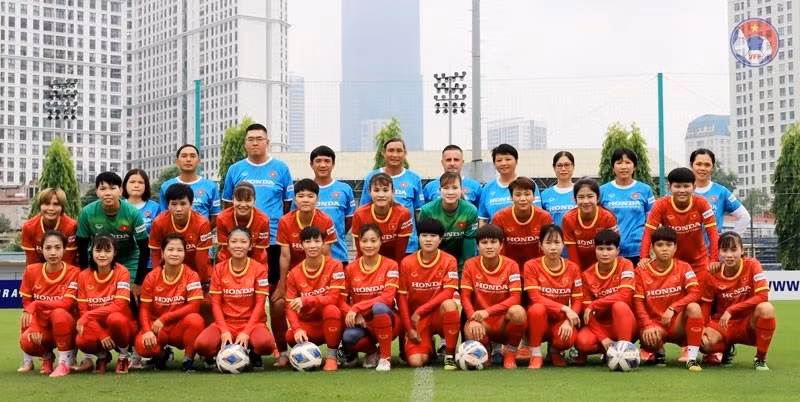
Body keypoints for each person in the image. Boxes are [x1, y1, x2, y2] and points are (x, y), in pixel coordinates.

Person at [221, 123, 293, 331]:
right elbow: (228, 206)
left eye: (259, 139)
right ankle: (240, 340)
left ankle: (280, 349)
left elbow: (287, 206)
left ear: (267, 142)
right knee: (241, 293)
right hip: (240, 245)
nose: (255, 142)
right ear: (245, 143)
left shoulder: (280, 168)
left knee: (276, 297)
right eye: (250, 139)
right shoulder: (235, 169)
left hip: (272, 243)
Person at [274, 179, 337, 366]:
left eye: (310, 196)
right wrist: (282, 285)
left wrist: (323, 284)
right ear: (294, 199)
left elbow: (326, 254)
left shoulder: (325, 220)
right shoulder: (286, 221)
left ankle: (338, 351)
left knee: (333, 305)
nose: (305, 200)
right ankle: (283, 353)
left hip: (319, 276)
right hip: (295, 277)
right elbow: (284, 256)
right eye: (301, 196)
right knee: (277, 304)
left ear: (317, 199)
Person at [193, 228, 276, 366]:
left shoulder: (259, 269)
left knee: (266, 344)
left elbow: (260, 304)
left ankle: (254, 354)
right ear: (227, 245)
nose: (238, 245)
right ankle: (219, 352)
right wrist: (224, 329)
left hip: (253, 323)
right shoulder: (219, 268)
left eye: (243, 242)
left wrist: (247, 331)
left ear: (250, 246)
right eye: (234, 241)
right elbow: (216, 304)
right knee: (202, 345)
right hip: (226, 323)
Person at [700, 232, 775, 371]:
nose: (729, 255)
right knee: (704, 343)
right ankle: (726, 347)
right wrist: (703, 327)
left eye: (734, 250)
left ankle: (760, 358)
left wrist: (731, 310)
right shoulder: (712, 273)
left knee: (767, 308)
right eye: (724, 250)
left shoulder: (752, 265)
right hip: (722, 324)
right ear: (719, 252)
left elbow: (763, 296)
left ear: (742, 250)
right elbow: (706, 304)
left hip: (747, 322)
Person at [634, 227, 704, 371]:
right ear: (652, 248)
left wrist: (673, 308)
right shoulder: (641, 271)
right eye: (659, 245)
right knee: (648, 337)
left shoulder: (684, 267)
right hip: (655, 325)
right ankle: (658, 349)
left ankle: (691, 359)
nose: (664, 249)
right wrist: (647, 325)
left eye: (668, 245)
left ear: (675, 247)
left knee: (694, 308)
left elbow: (695, 293)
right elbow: (638, 302)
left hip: (677, 324)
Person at [135, 233, 205, 372]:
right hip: (157, 326)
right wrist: (147, 331)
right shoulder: (151, 277)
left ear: (185, 253)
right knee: (142, 347)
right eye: (170, 249)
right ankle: (161, 355)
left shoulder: (191, 275)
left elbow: (194, 306)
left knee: (196, 320)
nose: (175, 254)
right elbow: (144, 309)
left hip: (179, 326)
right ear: (162, 252)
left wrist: (165, 318)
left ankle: (188, 360)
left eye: (179, 250)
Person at [461, 224, 527, 369]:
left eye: (493, 242)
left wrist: (487, 312)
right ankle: (487, 352)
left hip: (504, 323)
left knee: (518, 311)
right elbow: (465, 297)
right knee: (470, 329)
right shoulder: (470, 264)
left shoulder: (511, 265)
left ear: (501, 245)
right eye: (484, 243)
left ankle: (510, 354)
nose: (489, 246)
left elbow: (515, 298)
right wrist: (472, 318)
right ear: (477, 246)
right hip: (482, 322)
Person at [397, 218, 460, 369]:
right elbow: (402, 298)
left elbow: (448, 292)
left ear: (440, 239)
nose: (428, 240)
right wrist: (409, 329)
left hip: (437, 313)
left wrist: (420, 310)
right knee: (416, 362)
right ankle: (429, 347)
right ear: (418, 238)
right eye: (424, 235)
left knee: (450, 304)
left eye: (433, 236)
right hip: (417, 320)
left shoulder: (449, 260)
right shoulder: (407, 262)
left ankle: (449, 355)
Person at [640, 167, 720, 285]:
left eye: (686, 186)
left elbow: (713, 233)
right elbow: (648, 232)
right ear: (669, 187)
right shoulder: (660, 205)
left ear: (694, 187)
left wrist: (714, 259)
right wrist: (644, 257)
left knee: (700, 297)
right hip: (673, 261)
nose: (682, 190)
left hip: (699, 261)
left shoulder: (702, 203)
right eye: (677, 186)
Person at [339, 224, 401, 371]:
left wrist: (357, 307)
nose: (369, 245)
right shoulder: (350, 268)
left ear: (381, 241)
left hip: (388, 319)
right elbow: (340, 300)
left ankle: (385, 358)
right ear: (358, 243)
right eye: (364, 241)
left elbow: (387, 298)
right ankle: (373, 352)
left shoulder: (391, 265)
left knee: (379, 307)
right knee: (348, 338)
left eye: (373, 241)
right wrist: (355, 314)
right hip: (362, 322)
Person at [18, 231, 80, 377]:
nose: (53, 252)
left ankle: (64, 362)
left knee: (58, 312)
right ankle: (46, 357)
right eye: (48, 248)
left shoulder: (74, 272)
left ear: (65, 250)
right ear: (41, 249)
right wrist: (33, 325)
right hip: (43, 326)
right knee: (26, 338)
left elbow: (66, 303)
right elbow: (27, 302)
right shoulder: (31, 271)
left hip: (67, 326)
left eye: (58, 248)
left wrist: (36, 304)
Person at [77, 172, 150, 296]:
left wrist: (138, 283)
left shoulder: (132, 213)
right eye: (103, 189)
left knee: (127, 297)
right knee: (97, 296)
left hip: (128, 260)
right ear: (97, 192)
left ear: (120, 190)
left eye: (112, 188)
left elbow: (144, 248)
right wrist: (85, 274)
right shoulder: (87, 212)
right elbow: (82, 246)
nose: (108, 193)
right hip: (99, 260)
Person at [74, 235, 138, 374]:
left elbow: (119, 305)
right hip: (98, 326)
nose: (102, 255)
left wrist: (89, 315)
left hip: (122, 325)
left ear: (114, 253)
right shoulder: (83, 276)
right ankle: (102, 356)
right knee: (81, 340)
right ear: (92, 252)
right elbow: (83, 310)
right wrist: (101, 333)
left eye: (107, 251)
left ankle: (123, 356)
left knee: (115, 318)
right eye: (98, 250)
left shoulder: (122, 272)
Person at [284, 226, 345, 372]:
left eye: (317, 241)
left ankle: (332, 357)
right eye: (307, 242)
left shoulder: (335, 265)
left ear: (323, 243)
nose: (312, 245)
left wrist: (306, 300)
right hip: (309, 325)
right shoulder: (294, 273)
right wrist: (297, 329)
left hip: (331, 322)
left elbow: (334, 298)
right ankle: (310, 353)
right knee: (290, 336)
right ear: (301, 245)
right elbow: (289, 306)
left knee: (331, 309)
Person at [522, 224, 582, 369]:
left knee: (568, 338)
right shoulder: (531, 265)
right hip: (536, 321)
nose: (553, 247)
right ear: (540, 245)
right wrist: (565, 309)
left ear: (563, 244)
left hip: (559, 322)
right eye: (548, 243)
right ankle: (535, 354)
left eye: (557, 242)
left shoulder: (573, 268)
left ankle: (555, 351)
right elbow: (535, 297)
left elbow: (578, 299)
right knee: (537, 308)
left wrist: (568, 321)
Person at [574, 230, 636, 363]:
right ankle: (607, 350)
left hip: (625, 322)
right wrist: (603, 338)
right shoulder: (586, 275)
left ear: (617, 250)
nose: (605, 253)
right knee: (583, 343)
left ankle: (626, 352)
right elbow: (586, 312)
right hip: (601, 325)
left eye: (609, 249)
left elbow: (625, 296)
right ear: (595, 250)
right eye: (600, 249)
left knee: (619, 305)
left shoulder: (626, 265)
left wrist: (595, 304)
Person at [360, 138, 424, 253]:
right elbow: (364, 211)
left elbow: (418, 213)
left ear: (405, 153)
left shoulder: (414, 178)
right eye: (391, 150)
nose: (395, 154)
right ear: (383, 153)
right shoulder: (371, 177)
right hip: (377, 246)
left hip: (408, 245)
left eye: (399, 151)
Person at [148, 183, 212, 287]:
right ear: (168, 205)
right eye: (174, 204)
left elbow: (202, 259)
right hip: (170, 271)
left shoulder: (202, 223)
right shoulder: (159, 223)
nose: (178, 209)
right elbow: (156, 254)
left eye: (183, 204)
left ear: (191, 204)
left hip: (196, 270)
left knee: (205, 301)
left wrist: (203, 282)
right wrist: (158, 278)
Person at [599, 148, 655, 266]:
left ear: (634, 167)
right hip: (610, 251)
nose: (623, 167)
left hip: (638, 251)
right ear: (613, 167)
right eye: (619, 163)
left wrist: (648, 249)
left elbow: (651, 222)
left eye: (628, 162)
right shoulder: (603, 190)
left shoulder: (645, 190)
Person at [419, 172, 479, 271]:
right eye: (446, 188)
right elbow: (423, 241)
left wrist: (467, 270)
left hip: (459, 264)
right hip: (434, 263)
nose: (450, 192)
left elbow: (469, 245)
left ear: (461, 189)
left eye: (455, 188)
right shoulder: (427, 210)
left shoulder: (470, 211)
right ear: (439, 190)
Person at [690, 148, 751, 242]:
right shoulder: (681, 191)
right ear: (691, 165)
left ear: (712, 168)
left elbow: (745, 216)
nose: (702, 168)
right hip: (685, 254)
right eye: (698, 164)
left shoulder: (721, 191)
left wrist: (729, 241)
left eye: (707, 165)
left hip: (712, 253)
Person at [491, 176, 553, 268]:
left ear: (534, 196)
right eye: (518, 195)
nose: (523, 199)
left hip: (537, 268)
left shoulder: (544, 217)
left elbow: (546, 248)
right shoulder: (500, 218)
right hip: (508, 268)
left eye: (527, 194)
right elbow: (498, 249)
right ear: (511, 197)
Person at [309, 145, 356, 265]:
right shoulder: (304, 190)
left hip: (339, 256)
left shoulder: (344, 189)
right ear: (311, 164)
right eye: (318, 161)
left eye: (327, 161)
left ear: (333, 164)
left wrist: (334, 234)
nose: (323, 165)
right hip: (309, 258)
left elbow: (349, 220)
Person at [352, 173, 413, 263]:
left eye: (385, 190)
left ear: (392, 191)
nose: (381, 195)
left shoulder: (403, 214)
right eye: (376, 190)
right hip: (367, 261)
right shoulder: (360, 214)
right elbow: (360, 250)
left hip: (393, 261)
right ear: (369, 192)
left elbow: (400, 252)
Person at [159, 144, 222, 228]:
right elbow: (164, 216)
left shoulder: (211, 186)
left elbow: (215, 216)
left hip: (201, 238)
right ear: (177, 161)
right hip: (174, 238)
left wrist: (201, 232)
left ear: (198, 161)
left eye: (192, 156)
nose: (188, 159)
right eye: (184, 156)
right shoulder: (166, 186)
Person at [478, 143, 541, 226]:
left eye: (508, 159)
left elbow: (538, 214)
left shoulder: (528, 183)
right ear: (494, 164)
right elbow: (484, 219)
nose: (504, 163)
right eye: (499, 160)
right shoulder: (488, 187)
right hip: (496, 237)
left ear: (516, 161)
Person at [562, 178, 618, 270]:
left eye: (590, 196)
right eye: (581, 197)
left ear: (598, 198)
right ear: (575, 199)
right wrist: (578, 276)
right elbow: (572, 254)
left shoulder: (608, 217)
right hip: (580, 266)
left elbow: (611, 249)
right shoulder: (568, 219)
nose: (586, 201)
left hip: (603, 267)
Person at [216, 182, 270, 263]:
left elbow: (259, 254)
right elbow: (226, 251)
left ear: (254, 201)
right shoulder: (222, 218)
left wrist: (251, 272)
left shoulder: (263, 221)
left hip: (255, 260)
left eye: (248, 200)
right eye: (239, 200)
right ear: (233, 200)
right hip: (229, 259)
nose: (243, 204)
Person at [21, 188, 78, 266]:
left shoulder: (71, 226)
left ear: (62, 208)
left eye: (56, 204)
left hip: (66, 271)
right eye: (47, 204)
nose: (51, 208)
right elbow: (32, 263)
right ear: (40, 206)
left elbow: (69, 261)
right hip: (39, 271)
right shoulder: (29, 227)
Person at [123, 169, 161, 264]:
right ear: (124, 185)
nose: (136, 185)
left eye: (140, 182)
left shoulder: (155, 208)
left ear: (146, 186)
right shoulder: (118, 207)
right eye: (132, 182)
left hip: (149, 262)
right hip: (123, 262)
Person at [541, 151, 577, 228]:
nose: (563, 169)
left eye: (567, 165)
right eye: (559, 165)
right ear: (554, 167)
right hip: (554, 239)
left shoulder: (580, 191)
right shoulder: (545, 194)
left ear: (573, 166)